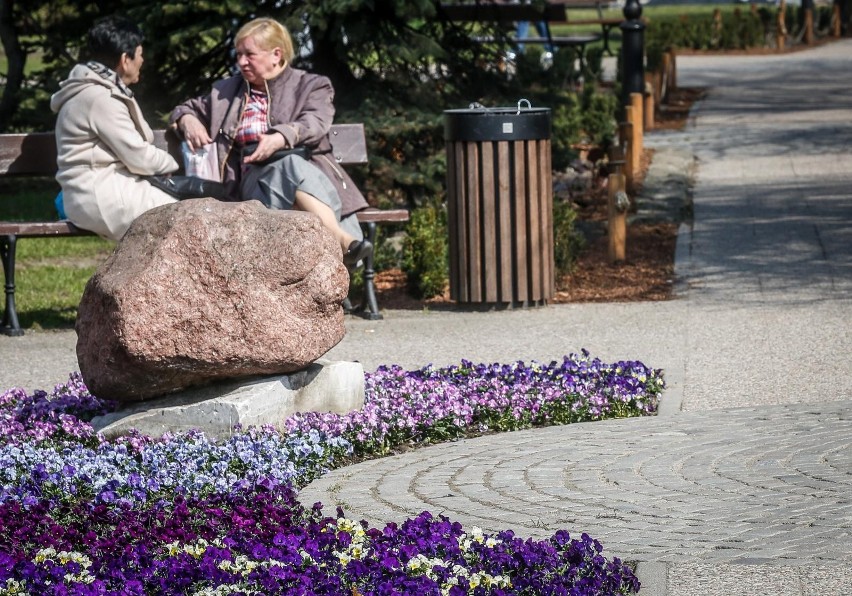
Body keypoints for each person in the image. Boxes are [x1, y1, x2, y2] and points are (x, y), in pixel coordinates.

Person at [169, 17, 371, 266]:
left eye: (249, 54)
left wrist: (281, 137)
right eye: (238, 54)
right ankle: (341, 241)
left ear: (276, 54)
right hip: (251, 188)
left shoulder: (312, 86)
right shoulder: (226, 91)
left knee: (290, 167)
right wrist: (188, 120)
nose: (241, 62)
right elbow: (184, 109)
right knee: (287, 168)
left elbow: (315, 121)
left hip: (311, 179)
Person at [51, 16, 180, 242]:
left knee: (183, 219)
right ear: (125, 59)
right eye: (140, 54)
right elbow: (138, 157)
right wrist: (176, 163)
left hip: (90, 193)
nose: (142, 60)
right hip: (102, 195)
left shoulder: (89, 90)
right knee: (186, 219)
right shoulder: (101, 98)